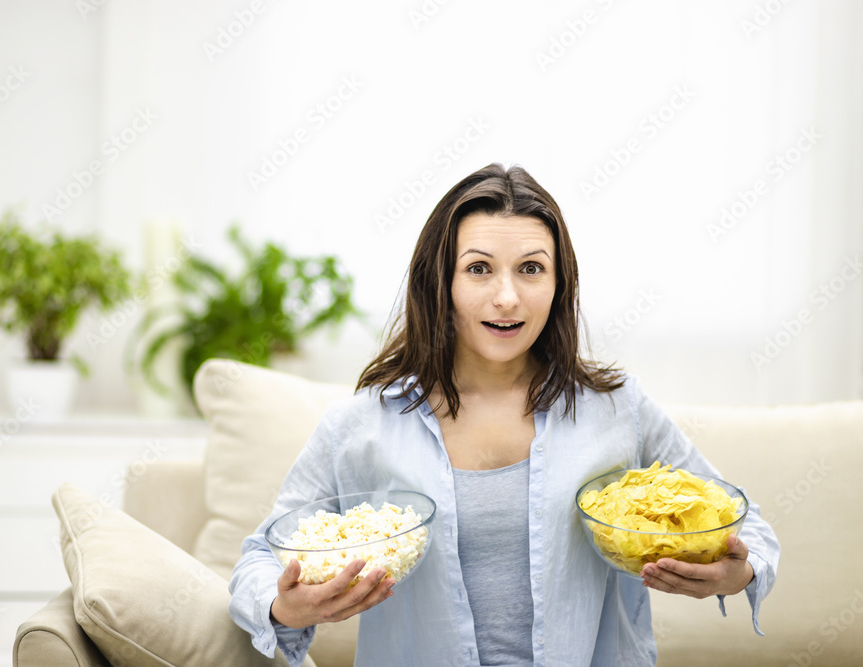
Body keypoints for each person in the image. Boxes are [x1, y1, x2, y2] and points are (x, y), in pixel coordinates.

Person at [229, 163, 780, 666]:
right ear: (439, 282)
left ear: (559, 284)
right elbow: (257, 561)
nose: (507, 297)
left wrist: (739, 571)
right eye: (479, 269)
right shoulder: (361, 425)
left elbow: (746, 523)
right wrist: (286, 608)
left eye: (531, 269)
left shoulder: (617, 409)